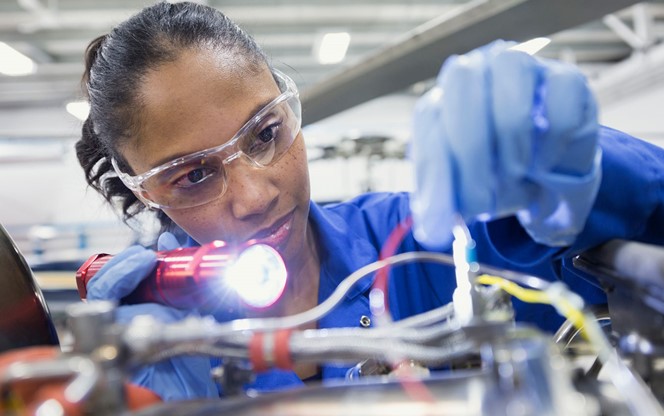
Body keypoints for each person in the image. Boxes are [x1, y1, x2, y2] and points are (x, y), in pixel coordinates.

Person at [75, 1, 664, 402]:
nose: (255, 196)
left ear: (288, 108)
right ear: (141, 190)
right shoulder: (141, 341)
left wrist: (587, 173)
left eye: (264, 135)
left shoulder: (417, 249)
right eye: (192, 175)